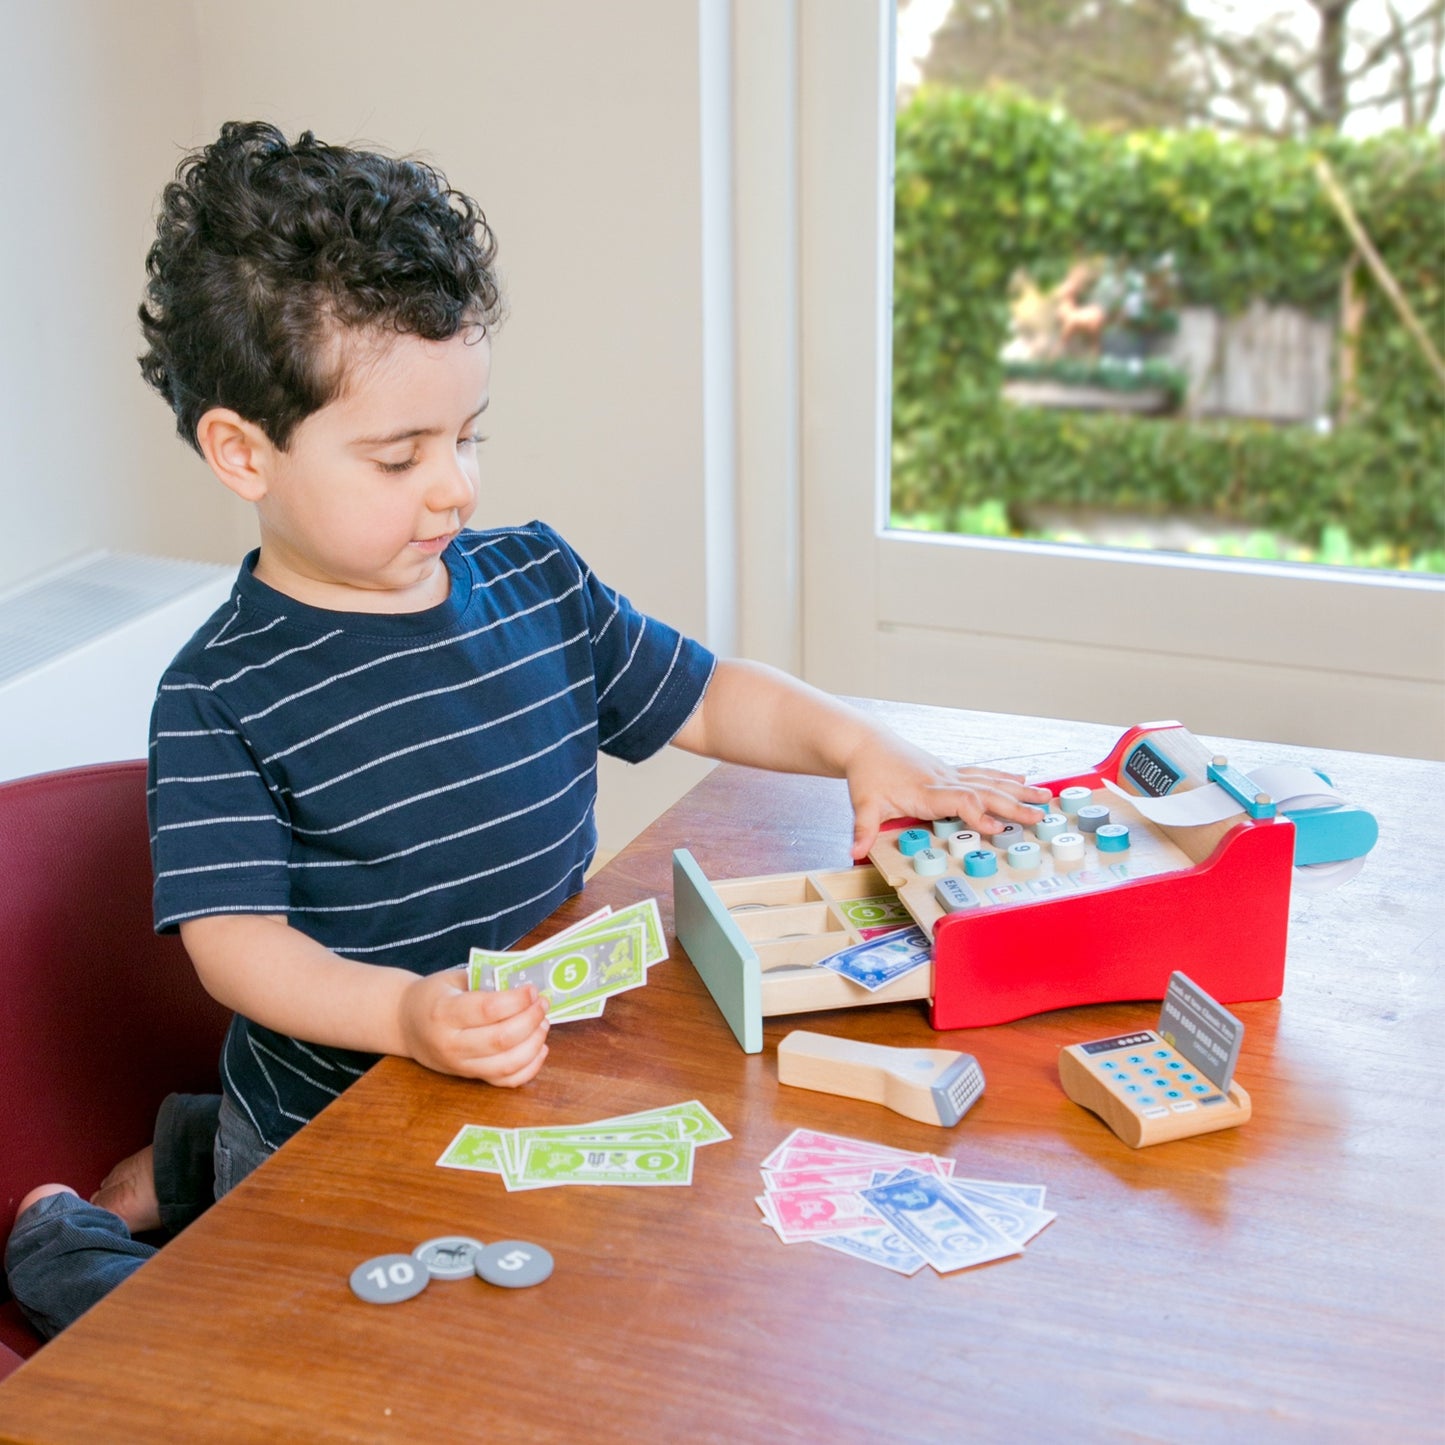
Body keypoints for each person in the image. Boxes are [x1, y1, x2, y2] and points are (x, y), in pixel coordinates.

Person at [4, 121, 1046, 1338]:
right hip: (328, 1131)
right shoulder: (220, 693)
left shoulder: (539, 583)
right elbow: (236, 949)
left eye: (468, 434)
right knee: (223, 1361)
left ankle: (184, 1145)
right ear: (243, 451)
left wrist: (858, 743)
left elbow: (710, 694)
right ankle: (68, 1231)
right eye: (399, 455)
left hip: (513, 1075)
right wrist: (402, 1014)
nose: (455, 485)